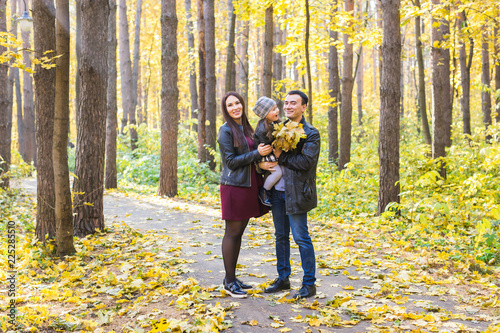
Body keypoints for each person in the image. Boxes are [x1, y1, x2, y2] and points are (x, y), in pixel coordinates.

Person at [261, 90, 320, 299]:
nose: (288, 106)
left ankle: (309, 284)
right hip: (278, 193)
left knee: (301, 237)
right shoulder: (278, 128)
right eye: (286, 103)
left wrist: (281, 157)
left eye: (293, 103)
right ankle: (283, 278)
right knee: (280, 237)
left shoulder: (311, 133)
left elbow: (306, 163)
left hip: (298, 193)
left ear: (304, 107)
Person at [217, 91, 273, 298]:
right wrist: (258, 154)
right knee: (232, 232)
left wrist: (261, 160)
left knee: (239, 232)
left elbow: (252, 155)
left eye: (237, 103)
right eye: (230, 105)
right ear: (226, 109)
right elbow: (231, 161)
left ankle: (231, 277)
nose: (235, 107)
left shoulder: (247, 128)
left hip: (248, 185)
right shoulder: (226, 130)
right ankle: (229, 282)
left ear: (242, 104)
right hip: (234, 187)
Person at [252, 96, 282, 207]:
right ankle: (265, 191)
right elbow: (267, 146)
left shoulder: (274, 123)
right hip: (267, 154)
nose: (277, 110)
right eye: (273, 109)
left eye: (276, 107)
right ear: (265, 114)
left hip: (272, 152)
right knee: (278, 172)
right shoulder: (262, 129)